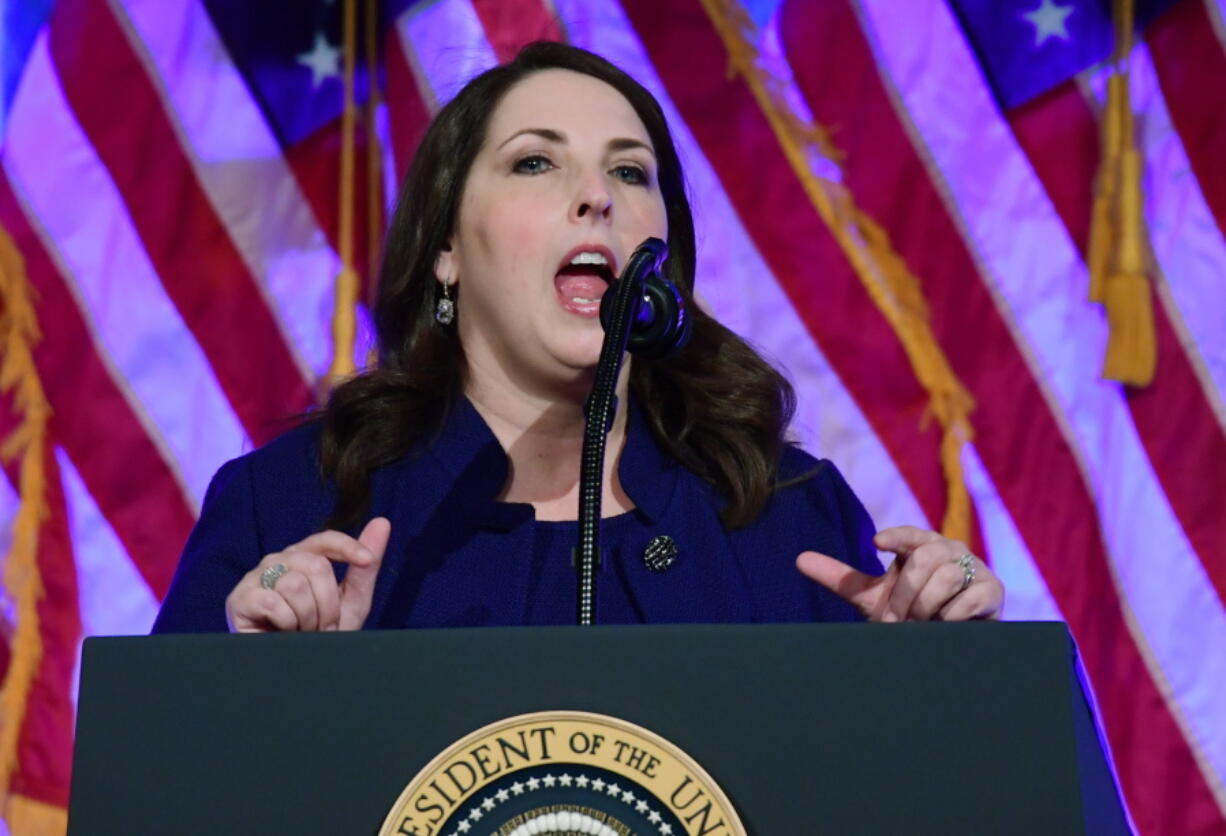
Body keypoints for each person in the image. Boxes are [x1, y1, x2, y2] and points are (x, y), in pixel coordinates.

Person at [151, 42, 1003, 635]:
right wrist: (265, 693)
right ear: (446, 249)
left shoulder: (790, 514)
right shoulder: (294, 507)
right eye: (535, 162)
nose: (597, 195)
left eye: (631, 172)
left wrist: (929, 678)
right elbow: (162, 788)